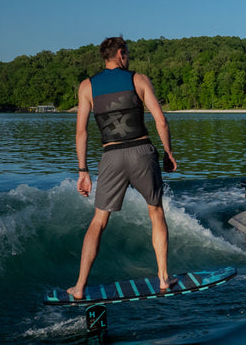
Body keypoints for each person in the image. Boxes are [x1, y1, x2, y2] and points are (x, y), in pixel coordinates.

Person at [68, 37, 178, 300]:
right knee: (156, 212)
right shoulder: (138, 79)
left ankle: (80, 286)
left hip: (111, 156)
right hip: (142, 153)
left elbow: (81, 131)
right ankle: (163, 278)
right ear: (120, 54)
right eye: (126, 53)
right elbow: (161, 121)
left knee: (98, 221)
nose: (128, 57)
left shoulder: (87, 87)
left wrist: (83, 171)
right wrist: (169, 153)